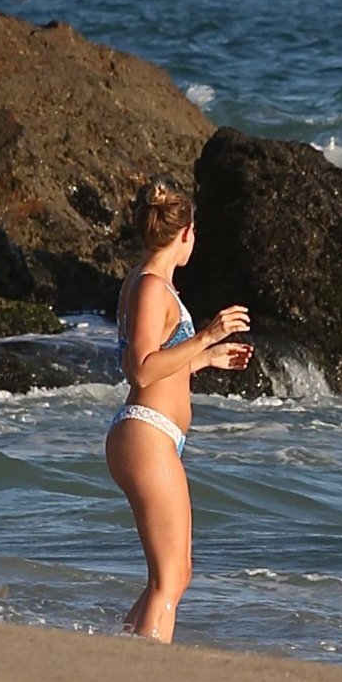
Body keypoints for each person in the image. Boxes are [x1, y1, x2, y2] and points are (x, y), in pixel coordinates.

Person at [105, 181, 252, 643]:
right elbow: (140, 369)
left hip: (153, 435)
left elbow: (159, 362)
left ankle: (121, 652)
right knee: (170, 577)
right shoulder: (151, 286)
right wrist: (207, 335)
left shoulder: (149, 282)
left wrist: (206, 359)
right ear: (186, 233)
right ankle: (147, 668)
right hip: (147, 433)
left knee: (174, 574)